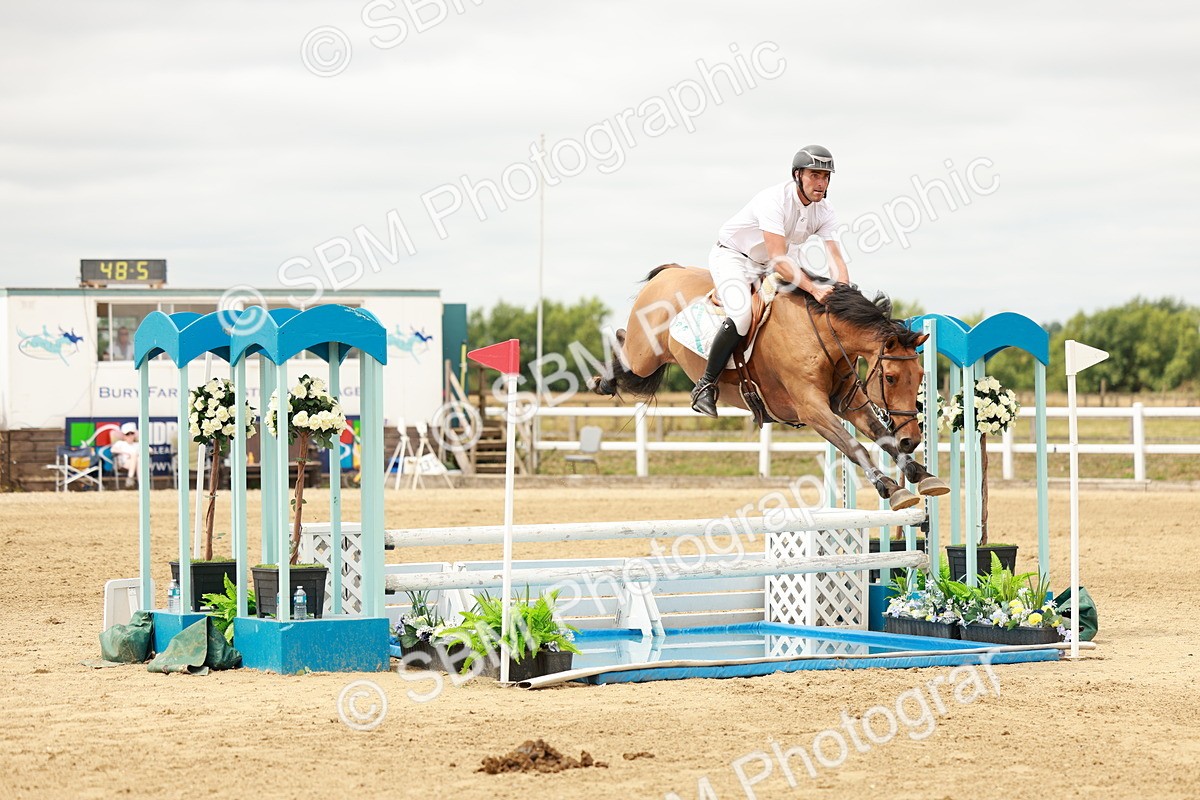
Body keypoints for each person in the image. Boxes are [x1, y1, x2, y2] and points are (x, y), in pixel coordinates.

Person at [690, 144, 852, 417]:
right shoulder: (774, 200)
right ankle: (705, 385)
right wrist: (815, 289)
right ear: (797, 175)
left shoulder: (825, 210)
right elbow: (778, 259)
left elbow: (836, 258)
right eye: (814, 175)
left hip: (773, 262)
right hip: (735, 257)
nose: (821, 183)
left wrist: (844, 294)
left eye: (826, 177)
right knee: (742, 315)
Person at [109, 422, 140, 488]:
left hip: (137, 463)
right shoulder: (120, 443)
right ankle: (139, 483)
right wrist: (126, 453)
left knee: (138, 460)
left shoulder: (138, 444)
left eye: (132, 433)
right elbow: (112, 450)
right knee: (135, 456)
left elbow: (150, 450)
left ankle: (131, 479)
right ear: (124, 435)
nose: (130, 436)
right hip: (123, 464)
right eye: (127, 434)